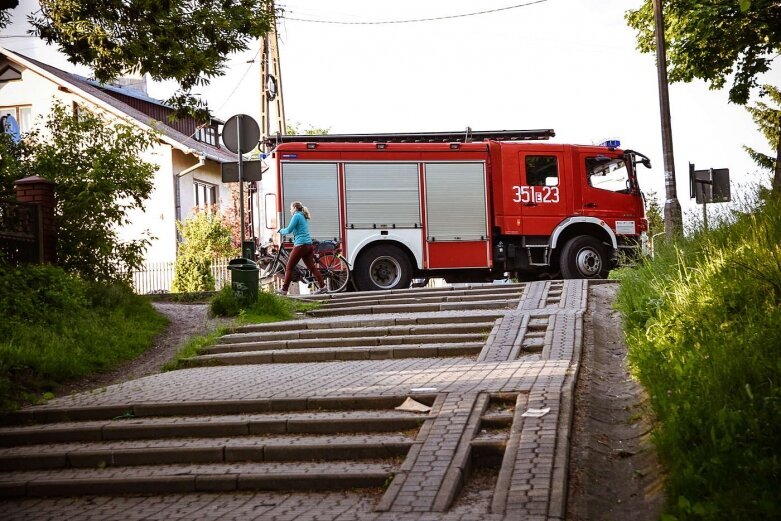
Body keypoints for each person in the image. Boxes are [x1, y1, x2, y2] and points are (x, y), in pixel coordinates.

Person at [276, 201, 326, 295]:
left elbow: (288, 230)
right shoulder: (302, 216)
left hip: (301, 245)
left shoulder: (296, 216)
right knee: (312, 267)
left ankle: (284, 289)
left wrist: (280, 230)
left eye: (291, 208)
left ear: (295, 208)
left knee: (289, 267)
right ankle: (323, 287)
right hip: (308, 245)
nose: (290, 210)